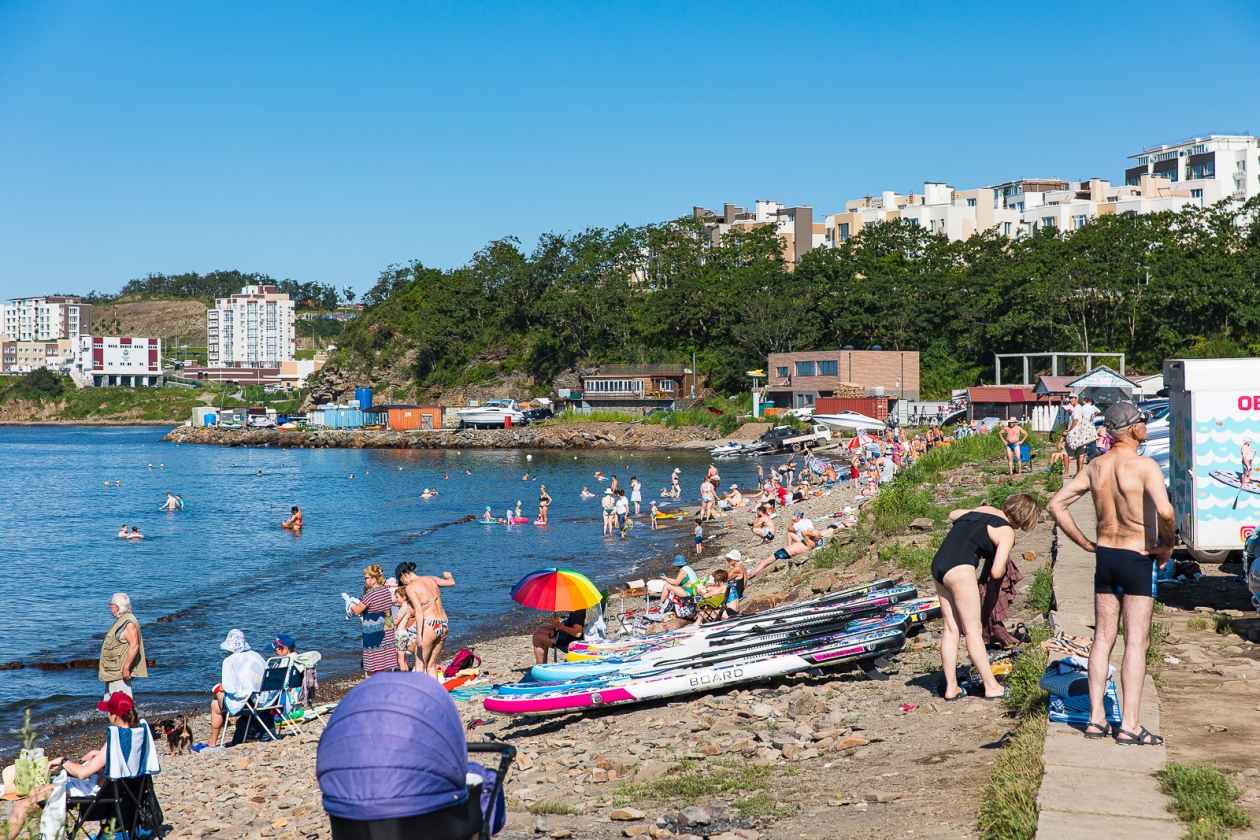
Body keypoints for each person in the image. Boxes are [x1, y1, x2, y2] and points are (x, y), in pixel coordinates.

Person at [1047, 401, 1175, 746]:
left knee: (1103, 638)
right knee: (1136, 640)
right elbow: (1165, 510)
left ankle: (1095, 719)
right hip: (1136, 557)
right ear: (1134, 429)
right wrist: (1167, 545)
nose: (1146, 426)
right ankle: (1130, 725)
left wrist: (1087, 544)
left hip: (1106, 556)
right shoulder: (1145, 465)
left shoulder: (1095, 467)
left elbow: (1055, 504)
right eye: (1144, 422)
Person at [930, 494, 1040, 701]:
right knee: (973, 631)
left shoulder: (985, 511)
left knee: (951, 629)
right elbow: (997, 572)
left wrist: (974, 516)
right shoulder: (1006, 531)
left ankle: (951, 687)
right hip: (960, 569)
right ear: (1026, 519)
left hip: (939, 565)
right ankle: (991, 686)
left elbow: (953, 514)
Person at [5, 693, 147, 838]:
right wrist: (95, 754)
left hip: (93, 794)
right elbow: (120, 759)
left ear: (115, 716)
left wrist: (63, 761)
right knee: (35, 792)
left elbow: (83, 773)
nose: (107, 716)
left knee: (23, 806)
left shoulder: (116, 739)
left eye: (108, 713)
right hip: (109, 789)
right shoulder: (135, 735)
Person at [395, 562, 456, 679]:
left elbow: (419, 610)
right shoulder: (431, 579)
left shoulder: (411, 587)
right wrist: (448, 575)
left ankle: (419, 696)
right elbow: (451, 582)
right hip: (443, 624)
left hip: (429, 625)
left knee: (420, 666)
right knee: (431, 665)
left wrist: (419, 634)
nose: (403, 584)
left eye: (402, 581)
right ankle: (435, 695)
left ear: (403, 575)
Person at [207, 629, 268, 746]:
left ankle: (213, 741)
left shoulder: (229, 661)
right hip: (265, 699)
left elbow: (231, 689)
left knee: (215, 704)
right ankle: (216, 733)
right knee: (219, 698)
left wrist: (222, 688)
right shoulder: (256, 656)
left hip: (247, 704)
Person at [348, 565, 397, 676]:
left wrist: (349, 604)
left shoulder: (370, 594)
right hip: (386, 630)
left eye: (366, 578)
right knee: (383, 662)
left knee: (372, 665)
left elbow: (356, 611)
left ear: (374, 579)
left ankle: (372, 688)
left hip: (373, 631)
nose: (365, 581)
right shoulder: (385, 591)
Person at [99, 593, 146, 699]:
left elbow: (134, 646)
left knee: (120, 706)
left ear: (117, 607)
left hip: (119, 672)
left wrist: (126, 668)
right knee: (112, 704)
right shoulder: (122, 620)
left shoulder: (128, 623)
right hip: (114, 670)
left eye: (111, 604)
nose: (110, 607)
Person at [392, 587, 416, 671]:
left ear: (404, 597)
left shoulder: (404, 608)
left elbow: (396, 622)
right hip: (403, 634)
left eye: (397, 597)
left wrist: (387, 618)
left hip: (401, 634)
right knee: (403, 659)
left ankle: (404, 677)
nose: (396, 599)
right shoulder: (408, 607)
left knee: (401, 659)